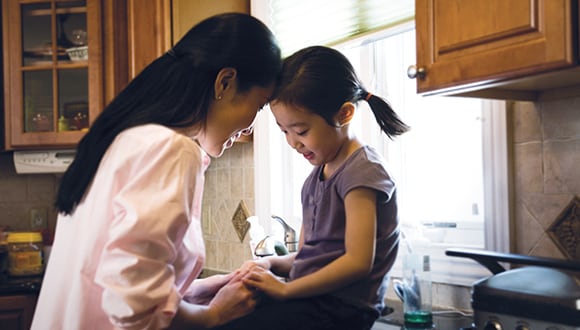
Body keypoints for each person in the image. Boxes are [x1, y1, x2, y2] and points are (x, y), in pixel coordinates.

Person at [31, 13, 281, 330]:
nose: (251, 123)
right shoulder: (172, 150)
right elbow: (134, 304)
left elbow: (118, 278)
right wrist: (215, 314)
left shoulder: (126, 138)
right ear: (225, 82)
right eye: (259, 106)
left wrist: (198, 291)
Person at [215, 45, 409, 330]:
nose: (293, 143)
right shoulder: (315, 178)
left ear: (344, 114)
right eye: (284, 131)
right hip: (313, 301)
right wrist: (269, 266)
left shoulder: (362, 171)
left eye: (302, 131)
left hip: (341, 311)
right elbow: (308, 257)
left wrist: (285, 290)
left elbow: (357, 262)